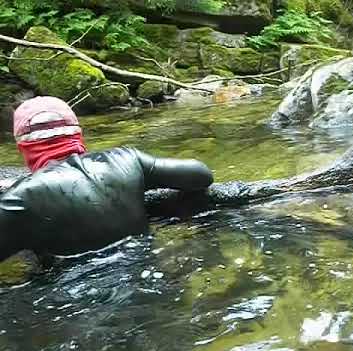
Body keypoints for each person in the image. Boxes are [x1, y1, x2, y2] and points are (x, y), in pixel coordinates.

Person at [0, 96, 213, 260]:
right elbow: (201, 174)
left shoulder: (19, 199)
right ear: (77, 134)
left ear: (23, 147)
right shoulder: (128, 159)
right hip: (144, 273)